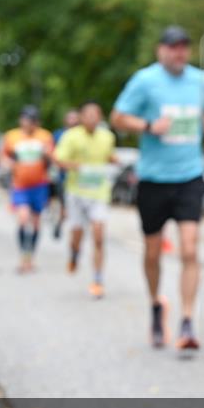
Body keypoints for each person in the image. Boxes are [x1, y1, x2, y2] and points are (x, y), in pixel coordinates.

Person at [111, 25, 204, 352]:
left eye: (184, 47)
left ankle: (187, 321)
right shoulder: (145, 81)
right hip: (154, 179)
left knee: (189, 249)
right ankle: (155, 305)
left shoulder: (201, 81)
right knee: (153, 250)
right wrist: (147, 126)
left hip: (190, 175)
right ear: (161, 50)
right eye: (173, 47)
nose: (179, 53)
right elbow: (117, 117)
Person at [54, 101, 118, 299]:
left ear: (100, 117)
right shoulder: (71, 136)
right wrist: (77, 166)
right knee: (77, 235)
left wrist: (114, 160)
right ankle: (74, 253)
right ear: (81, 117)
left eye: (95, 114)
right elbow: (58, 159)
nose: (91, 118)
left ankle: (98, 279)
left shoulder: (108, 137)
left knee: (99, 235)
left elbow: (109, 157)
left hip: (99, 193)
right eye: (87, 114)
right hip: (76, 193)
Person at [0, 105, 54, 274]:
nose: (28, 123)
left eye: (32, 120)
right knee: (23, 218)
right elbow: (4, 156)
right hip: (20, 185)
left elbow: (53, 157)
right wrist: (7, 164)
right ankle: (23, 256)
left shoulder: (45, 136)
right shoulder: (12, 136)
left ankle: (31, 256)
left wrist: (47, 154)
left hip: (40, 185)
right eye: (25, 119)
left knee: (36, 222)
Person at [51, 109, 81, 239]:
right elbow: (53, 155)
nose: (73, 121)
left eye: (75, 118)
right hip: (63, 177)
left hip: (80, 178)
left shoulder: (82, 135)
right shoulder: (58, 135)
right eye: (70, 118)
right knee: (64, 204)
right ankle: (60, 222)